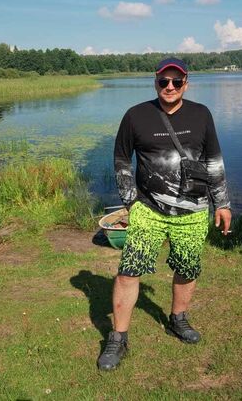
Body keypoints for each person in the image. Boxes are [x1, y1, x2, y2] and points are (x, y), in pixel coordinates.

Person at [97, 57, 231, 371]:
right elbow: (121, 159)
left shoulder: (201, 114)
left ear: (186, 84)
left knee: (188, 267)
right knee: (129, 271)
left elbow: (213, 160)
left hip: (193, 211)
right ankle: (118, 338)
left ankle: (177, 319)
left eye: (176, 81)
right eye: (163, 81)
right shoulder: (136, 115)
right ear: (155, 82)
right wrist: (130, 201)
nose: (170, 87)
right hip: (148, 210)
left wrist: (222, 203)